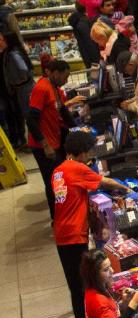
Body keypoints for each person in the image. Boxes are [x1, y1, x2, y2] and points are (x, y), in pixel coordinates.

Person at [53, 129, 135, 318]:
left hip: (62, 234)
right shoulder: (77, 168)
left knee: (76, 286)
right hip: (73, 236)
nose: (89, 156)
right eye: (88, 152)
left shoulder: (58, 171)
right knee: (83, 287)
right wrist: (126, 187)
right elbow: (104, 181)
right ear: (80, 152)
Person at [27, 59, 83, 219]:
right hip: (43, 146)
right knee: (53, 182)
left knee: (60, 179)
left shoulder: (54, 87)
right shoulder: (42, 88)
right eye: (65, 77)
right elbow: (31, 120)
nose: (66, 81)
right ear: (56, 73)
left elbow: (63, 111)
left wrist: (77, 131)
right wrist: (45, 145)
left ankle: (64, 213)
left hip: (54, 140)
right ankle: (57, 219)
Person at [0, 31, 33, 148]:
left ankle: (30, 141)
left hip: (22, 89)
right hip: (20, 88)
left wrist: (16, 82)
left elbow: (24, 70)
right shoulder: (10, 52)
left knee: (27, 114)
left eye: (2, 40)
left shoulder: (12, 54)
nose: (0, 42)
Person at [67, 1, 100, 67]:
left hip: (86, 53)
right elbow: (89, 41)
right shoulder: (83, 22)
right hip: (91, 56)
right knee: (95, 74)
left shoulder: (79, 19)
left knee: (92, 73)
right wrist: (96, 59)